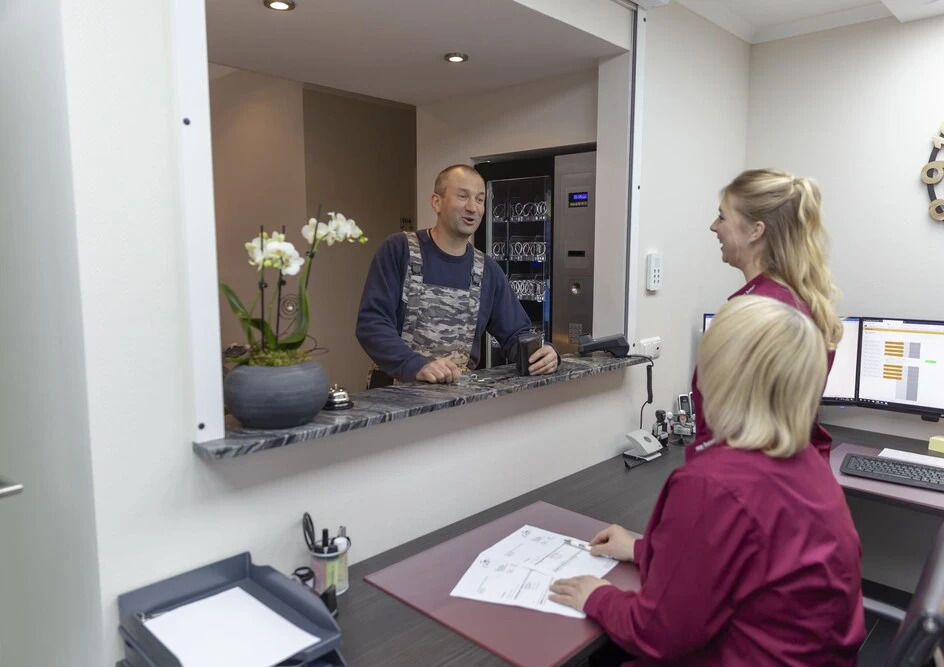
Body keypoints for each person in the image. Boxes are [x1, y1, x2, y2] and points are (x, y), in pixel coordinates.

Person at [548, 296, 866, 666]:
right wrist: (640, 550)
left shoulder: (712, 484)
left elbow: (658, 633)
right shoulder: (808, 460)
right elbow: (740, 561)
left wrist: (596, 596)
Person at [356, 164, 559, 387]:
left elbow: (515, 335)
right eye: (463, 196)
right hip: (393, 395)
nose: (472, 207)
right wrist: (415, 365)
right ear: (437, 202)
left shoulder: (487, 270)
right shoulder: (400, 250)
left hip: (456, 399)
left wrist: (542, 354)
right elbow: (372, 324)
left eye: (480, 199)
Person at [694, 168, 842, 459]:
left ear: (755, 231)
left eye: (722, 217)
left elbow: (738, 427)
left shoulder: (763, 313)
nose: (714, 227)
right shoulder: (796, 299)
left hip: (746, 474)